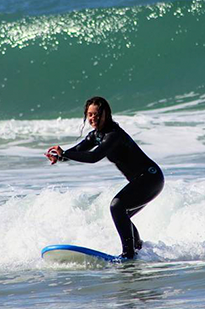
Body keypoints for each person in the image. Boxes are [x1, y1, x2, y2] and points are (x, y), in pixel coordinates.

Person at [46, 96, 164, 259]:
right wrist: (59, 156)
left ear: (105, 114)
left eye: (96, 114)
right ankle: (137, 248)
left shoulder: (113, 135)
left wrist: (65, 154)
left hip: (151, 178)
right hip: (144, 180)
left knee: (117, 206)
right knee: (123, 214)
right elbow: (79, 150)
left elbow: (94, 156)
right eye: (90, 115)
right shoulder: (95, 135)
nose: (93, 118)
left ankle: (128, 255)